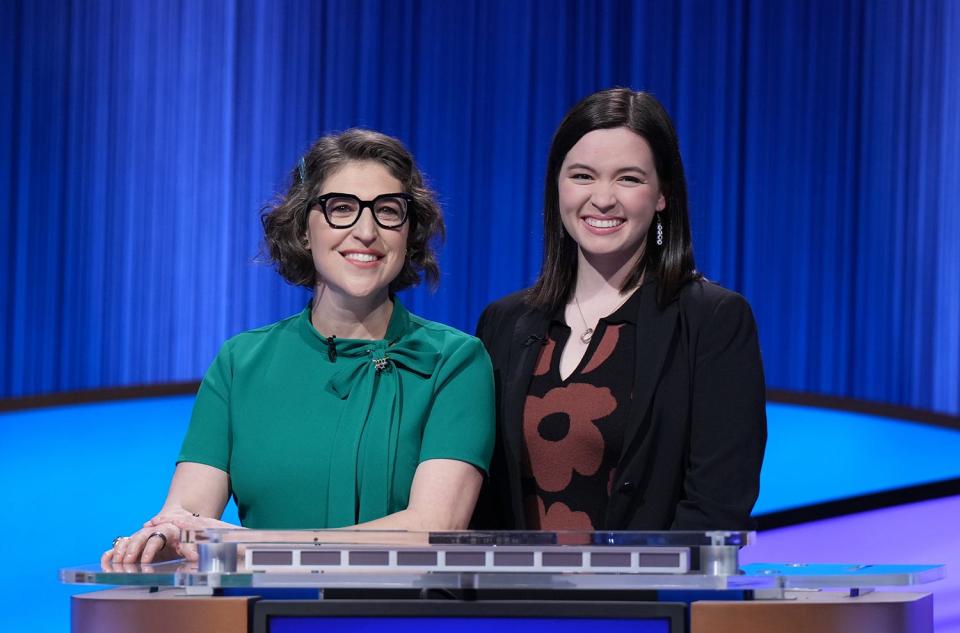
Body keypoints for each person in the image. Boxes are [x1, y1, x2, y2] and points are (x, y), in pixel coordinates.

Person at [104, 129, 495, 566]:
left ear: (409, 233)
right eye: (341, 208)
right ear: (303, 229)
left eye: (388, 211)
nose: (366, 231)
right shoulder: (240, 364)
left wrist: (252, 545)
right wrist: (162, 535)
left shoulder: (456, 361)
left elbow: (433, 530)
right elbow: (189, 513)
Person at [473, 88, 766, 531]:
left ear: (662, 195)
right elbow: (485, 499)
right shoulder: (505, 321)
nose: (603, 198)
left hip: (644, 597)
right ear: (557, 185)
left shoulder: (713, 320)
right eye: (583, 176)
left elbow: (717, 506)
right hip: (518, 598)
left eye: (628, 179)